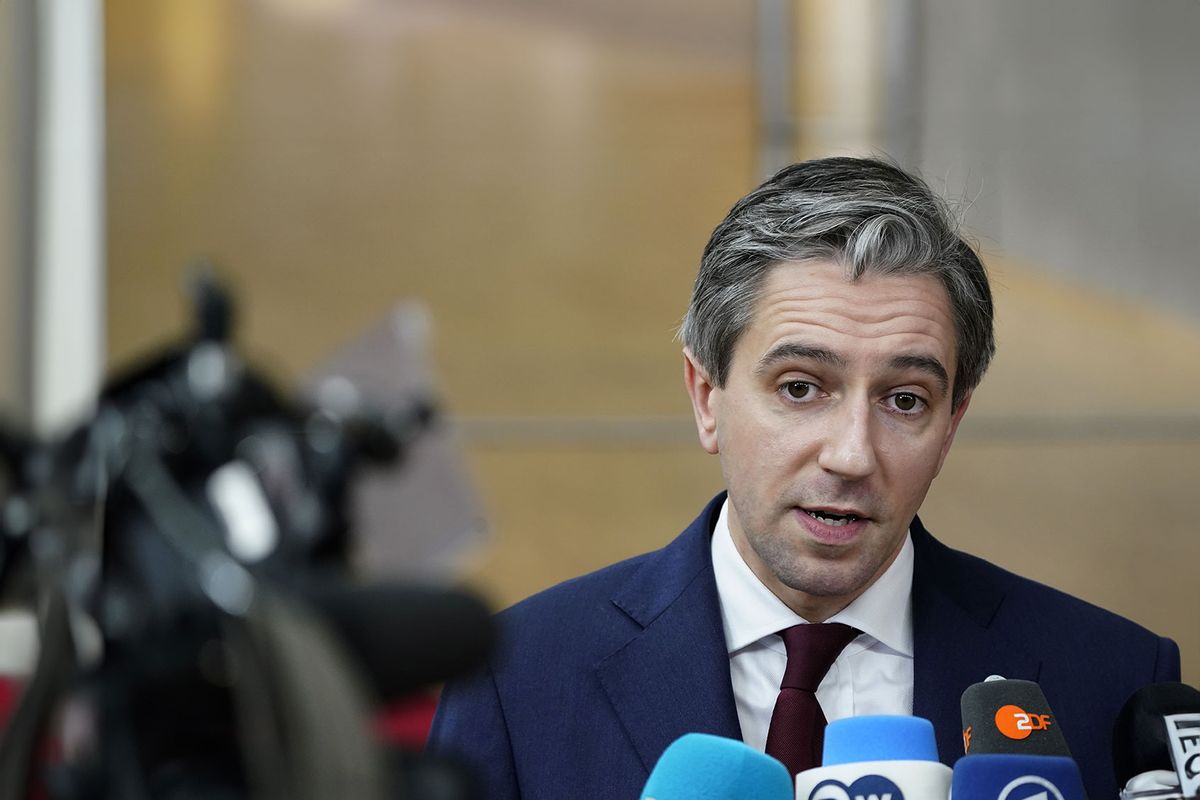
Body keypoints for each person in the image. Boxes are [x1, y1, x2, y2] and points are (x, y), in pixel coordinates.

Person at [427, 157, 1180, 800]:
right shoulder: (517, 675)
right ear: (705, 397)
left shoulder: (1109, 679)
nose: (852, 454)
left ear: (951, 423)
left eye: (905, 400)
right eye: (800, 388)